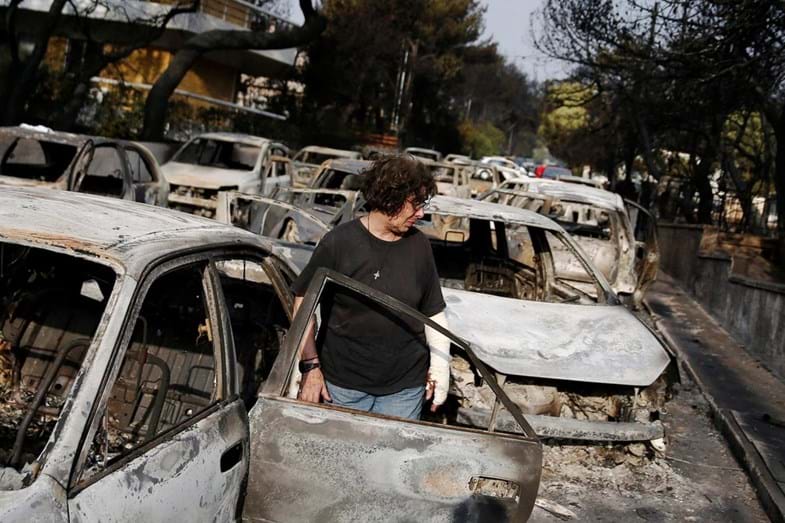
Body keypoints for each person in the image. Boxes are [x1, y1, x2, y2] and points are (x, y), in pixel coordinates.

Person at [290, 155, 451, 420]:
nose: (421, 213)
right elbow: (303, 303)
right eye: (415, 204)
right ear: (390, 198)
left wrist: (440, 368)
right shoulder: (339, 243)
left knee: (393, 461)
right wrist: (310, 367)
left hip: (404, 390)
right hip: (341, 387)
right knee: (342, 458)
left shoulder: (419, 246)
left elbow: (433, 311)